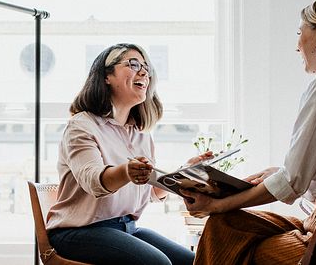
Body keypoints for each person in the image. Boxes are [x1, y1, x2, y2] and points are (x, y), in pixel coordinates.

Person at [182, 0, 316, 264]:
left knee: (224, 231)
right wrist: (280, 173)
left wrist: (215, 205)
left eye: (300, 32)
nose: (297, 45)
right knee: (229, 227)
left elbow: (293, 182)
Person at [45, 43, 204, 265]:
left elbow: (150, 192)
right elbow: (93, 182)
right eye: (133, 64)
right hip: (77, 232)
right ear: (106, 76)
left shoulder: (141, 134)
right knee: (158, 264)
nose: (144, 72)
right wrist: (126, 172)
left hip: (125, 228)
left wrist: (183, 173)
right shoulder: (82, 125)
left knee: (195, 261)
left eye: (146, 67)